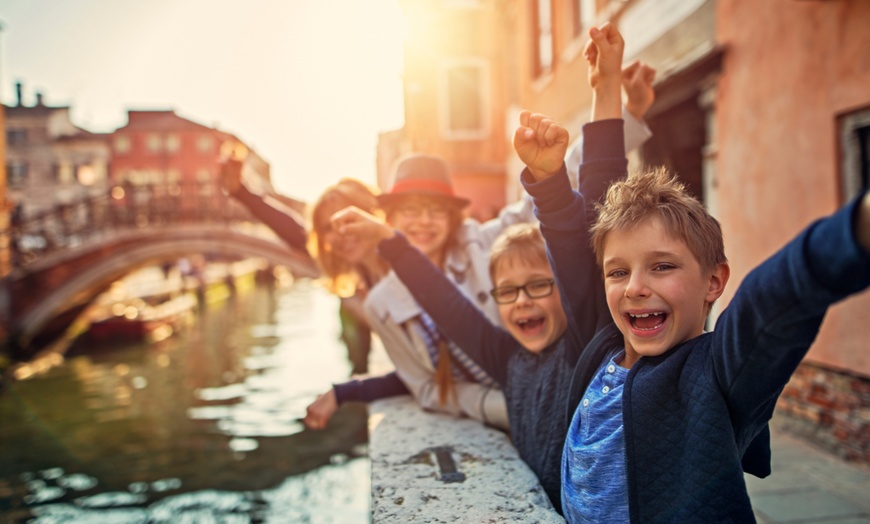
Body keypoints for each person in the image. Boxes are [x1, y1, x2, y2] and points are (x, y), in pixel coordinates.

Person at [527, 37, 870, 524]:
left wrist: (853, 232)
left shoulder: (719, 373)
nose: (634, 287)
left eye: (662, 266)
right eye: (619, 272)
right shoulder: (599, 343)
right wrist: (603, 91)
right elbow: (592, 223)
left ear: (714, 281)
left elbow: (771, 303)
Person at [313, 21, 629, 514]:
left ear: (564, 292)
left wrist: (605, 90)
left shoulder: (588, 349)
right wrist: (388, 243)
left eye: (539, 286)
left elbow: (593, 217)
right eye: (507, 293)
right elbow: (446, 302)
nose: (521, 299)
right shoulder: (506, 356)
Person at [303, 59, 659, 432]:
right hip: (507, 412)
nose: (423, 221)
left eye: (434, 211)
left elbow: (561, 180)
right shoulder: (382, 304)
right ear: (389, 220)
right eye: (410, 211)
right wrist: (506, 406)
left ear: (453, 217)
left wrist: (626, 113)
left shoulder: (488, 241)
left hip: (557, 392)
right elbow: (422, 386)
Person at [221, 162, 385, 375]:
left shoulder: (398, 261)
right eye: (328, 227)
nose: (341, 232)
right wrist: (242, 193)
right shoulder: (350, 263)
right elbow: (293, 230)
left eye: (349, 220)